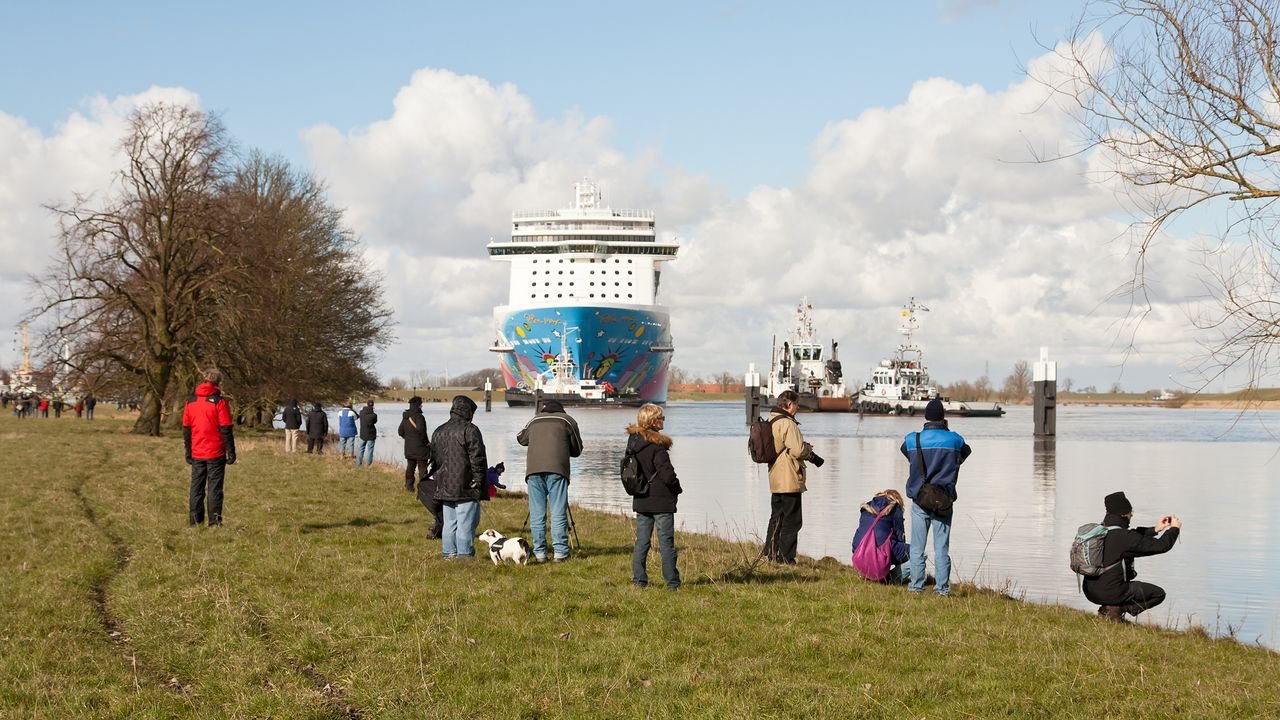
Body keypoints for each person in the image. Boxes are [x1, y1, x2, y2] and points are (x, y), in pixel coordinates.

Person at [901, 398, 972, 596]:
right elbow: (963, 456)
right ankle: (942, 589)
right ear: (943, 418)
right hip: (944, 500)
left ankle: (916, 586)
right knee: (941, 547)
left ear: (925, 417)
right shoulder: (955, 440)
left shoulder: (912, 440)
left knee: (917, 547)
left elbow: (908, 456)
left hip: (920, 499)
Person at [1083, 491, 1182, 623]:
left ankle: (1109, 608)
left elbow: (1132, 535)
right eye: (1130, 512)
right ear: (1124, 514)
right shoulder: (1125, 538)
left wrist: (1156, 529)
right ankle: (1117, 609)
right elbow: (1161, 546)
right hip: (1111, 592)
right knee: (1158, 594)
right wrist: (1174, 529)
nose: (1132, 515)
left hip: (1090, 591)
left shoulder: (1098, 531)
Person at [516, 399, 584, 562]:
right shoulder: (567, 420)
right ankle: (560, 552)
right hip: (557, 471)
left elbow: (520, 438)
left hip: (533, 471)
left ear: (544, 410)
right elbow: (578, 449)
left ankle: (539, 553)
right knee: (558, 511)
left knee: (537, 513)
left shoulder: (534, 420)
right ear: (561, 409)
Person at [626, 403, 683, 590]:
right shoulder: (657, 446)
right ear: (653, 421)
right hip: (661, 500)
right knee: (666, 542)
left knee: (642, 541)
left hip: (641, 497)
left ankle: (639, 580)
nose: (663, 420)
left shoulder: (633, 443)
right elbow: (667, 474)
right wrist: (677, 488)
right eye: (661, 417)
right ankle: (672, 583)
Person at [763, 389, 823, 564]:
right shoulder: (788, 424)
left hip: (775, 477)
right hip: (788, 478)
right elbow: (797, 450)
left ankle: (771, 553)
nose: (797, 408)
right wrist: (808, 449)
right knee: (792, 520)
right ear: (789, 405)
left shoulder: (771, 419)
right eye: (796, 404)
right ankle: (786, 557)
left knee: (776, 517)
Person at [430, 396, 488, 559]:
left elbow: (434, 459)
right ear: (468, 411)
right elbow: (477, 458)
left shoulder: (438, 431)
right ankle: (464, 555)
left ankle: (448, 554)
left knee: (449, 523)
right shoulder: (470, 430)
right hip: (466, 484)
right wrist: (479, 481)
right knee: (465, 523)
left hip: (444, 484)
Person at [182, 368, 236, 526]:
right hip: (215, 451)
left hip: (197, 451)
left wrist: (188, 450)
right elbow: (226, 428)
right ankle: (214, 522)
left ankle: (195, 521)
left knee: (196, 487)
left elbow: (186, 428)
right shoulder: (220, 402)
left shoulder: (190, 401)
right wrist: (231, 451)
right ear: (218, 382)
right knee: (215, 488)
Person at [400, 396, 441, 537]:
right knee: (423, 471)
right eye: (421, 404)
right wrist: (426, 443)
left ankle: (408, 486)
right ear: (418, 405)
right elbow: (422, 432)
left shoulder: (405, 417)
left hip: (409, 448)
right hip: (421, 449)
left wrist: (409, 439)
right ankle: (422, 491)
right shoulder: (419, 418)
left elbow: (400, 432)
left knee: (410, 468)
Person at [851, 489, 911, 584]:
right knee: (919, 554)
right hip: (879, 554)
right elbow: (900, 538)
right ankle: (892, 579)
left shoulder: (866, 507)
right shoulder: (895, 508)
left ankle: (865, 575)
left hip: (858, 552)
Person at [356, 400, 378, 468]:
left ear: (367, 404)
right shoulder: (374, 415)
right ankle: (367, 465)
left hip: (362, 434)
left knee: (361, 449)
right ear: (373, 406)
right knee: (370, 450)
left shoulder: (361, 413)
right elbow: (375, 422)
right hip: (371, 434)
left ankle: (358, 464)